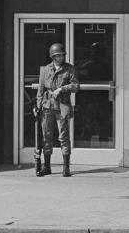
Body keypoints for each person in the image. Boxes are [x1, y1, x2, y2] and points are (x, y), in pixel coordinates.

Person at [34, 43, 79, 177]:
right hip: (47, 105)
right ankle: (46, 166)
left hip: (63, 105)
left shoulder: (69, 69)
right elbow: (40, 90)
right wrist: (38, 106)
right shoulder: (46, 69)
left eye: (63, 55)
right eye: (59, 55)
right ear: (53, 56)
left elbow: (76, 85)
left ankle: (66, 167)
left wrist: (62, 89)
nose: (62, 57)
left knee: (63, 137)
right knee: (46, 136)